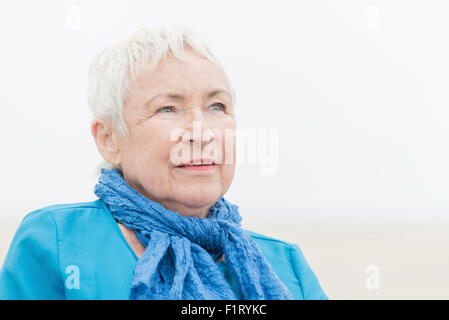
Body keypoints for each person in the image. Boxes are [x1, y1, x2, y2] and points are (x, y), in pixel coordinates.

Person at [0, 25, 327, 300]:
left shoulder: (286, 266)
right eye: (168, 109)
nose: (202, 133)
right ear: (109, 139)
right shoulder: (56, 243)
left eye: (217, 106)